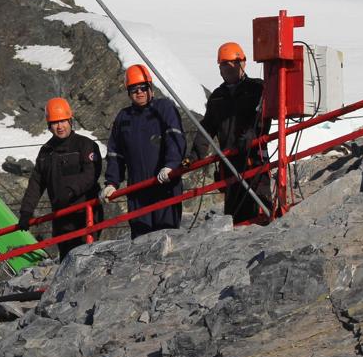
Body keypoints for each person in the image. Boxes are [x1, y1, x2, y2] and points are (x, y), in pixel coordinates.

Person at [187, 41, 272, 223]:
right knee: (235, 217)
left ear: (242, 64)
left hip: (254, 159)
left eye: (232, 64)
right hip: (229, 163)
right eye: (224, 65)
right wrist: (195, 155)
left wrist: (252, 135)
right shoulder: (218, 96)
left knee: (260, 213)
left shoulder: (257, 88)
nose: (228, 69)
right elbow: (207, 127)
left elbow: (264, 117)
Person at [101, 64, 187, 239]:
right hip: (137, 191)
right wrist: (112, 183)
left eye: (143, 88)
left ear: (151, 88)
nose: (139, 92)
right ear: (128, 92)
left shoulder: (164, 108)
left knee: (167, 236)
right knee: (141, 239)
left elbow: (175, 136)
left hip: (165, 184)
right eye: (134, 89)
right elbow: (115, 153)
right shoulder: (123, 118)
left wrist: (171, 165)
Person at [16, 97, 104, 259]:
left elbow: (91, 174)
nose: (60, 126)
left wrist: (70, 191)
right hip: (61, 220)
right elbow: (36, 183)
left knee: (87, 260)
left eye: (63, 121)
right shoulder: (46, 152)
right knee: (66, 261)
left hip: (85, 215)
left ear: (70, 120)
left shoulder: (85, 145)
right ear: (49, 126)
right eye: (55, 122)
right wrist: (26, 212)